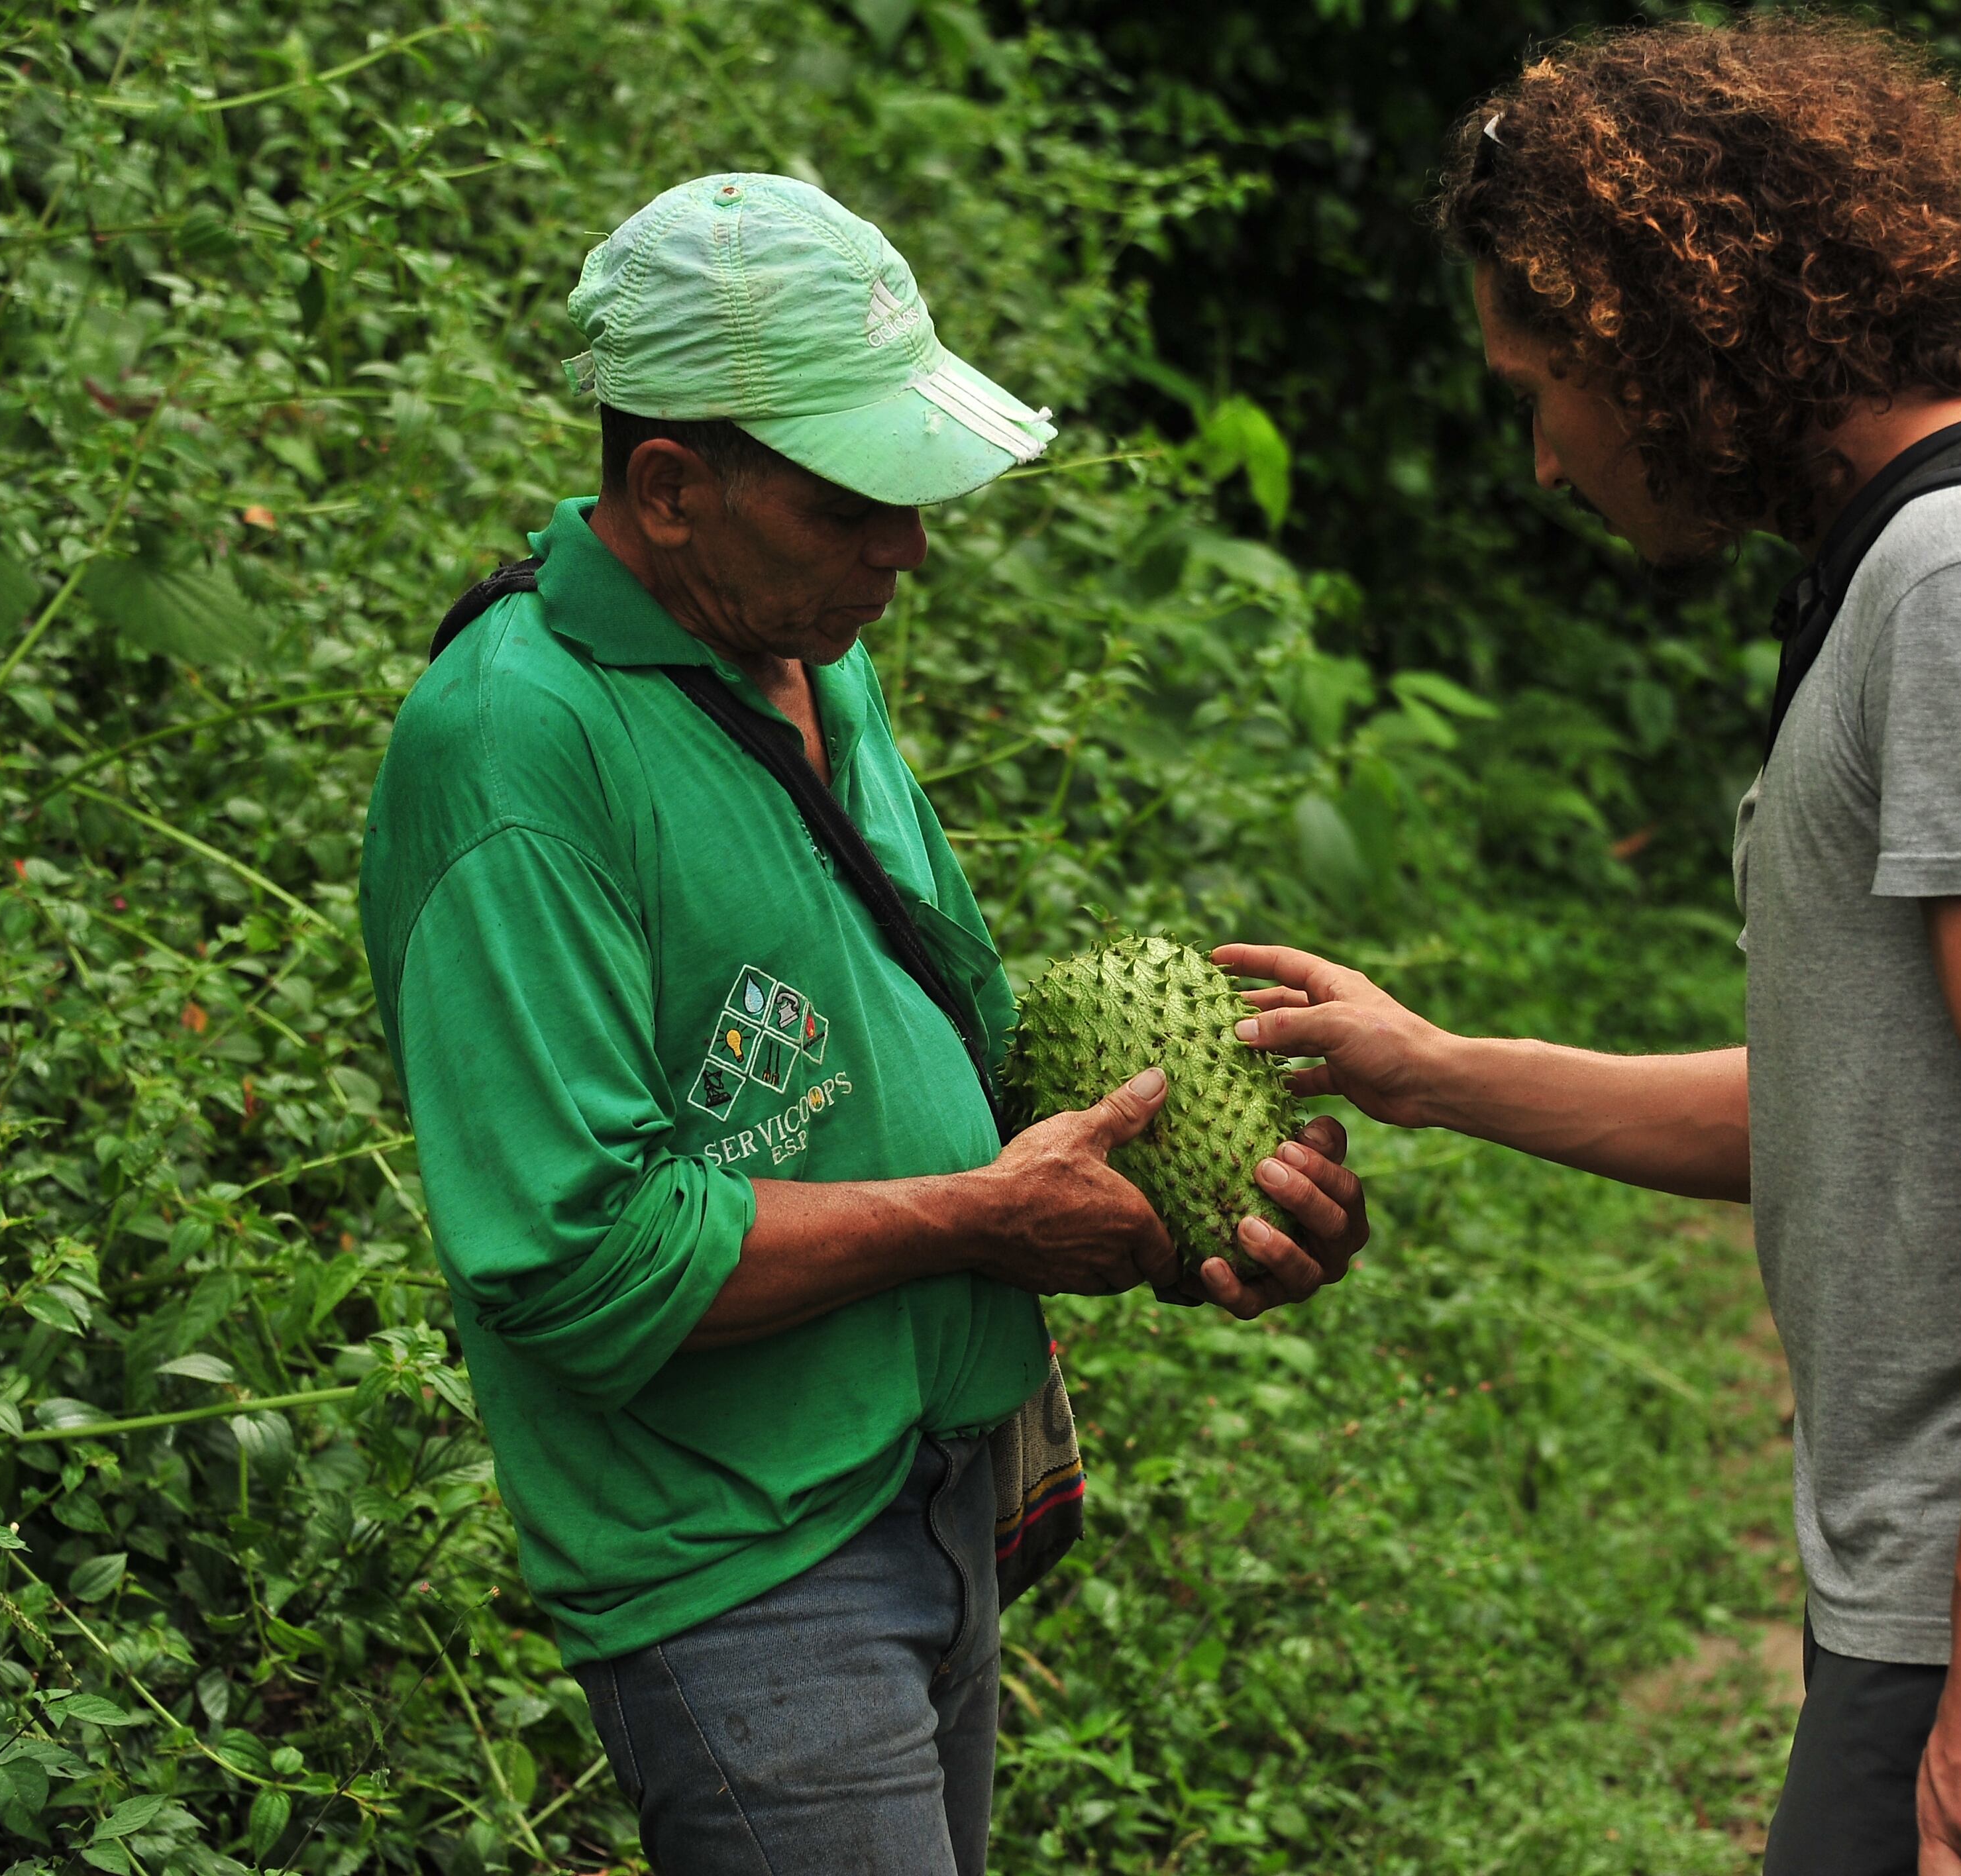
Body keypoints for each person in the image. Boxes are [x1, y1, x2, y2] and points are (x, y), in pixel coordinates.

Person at [1222, 23, 1961, 1875]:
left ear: (1657, 335)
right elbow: (1867, 1110)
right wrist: (1436, 1071)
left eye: (1539, 382)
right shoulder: (1922, 562)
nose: (1545, 458)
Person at [358, 174, 1367, 1876]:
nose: (905, 552)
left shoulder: (806, 654)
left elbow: (934, 1026)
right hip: (742, 1561)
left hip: (933, 1481)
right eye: (851, 507)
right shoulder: (512, 752)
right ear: (670, 491)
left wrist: (1192, 1200)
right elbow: (576, 1258)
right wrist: (982, 1216)